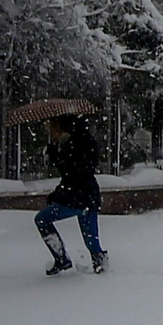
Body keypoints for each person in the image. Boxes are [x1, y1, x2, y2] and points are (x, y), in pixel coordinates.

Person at [35, 113, 107, 274]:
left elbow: (72, 173)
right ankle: (101, 265)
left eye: (52, 128)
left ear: (60, 127)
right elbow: (79, 171)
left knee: (42, 219)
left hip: (77, 196)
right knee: (91, 240)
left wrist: (54, 155)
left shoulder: (74, 143)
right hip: (88, 195)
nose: (51, 132)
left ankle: (61, 258)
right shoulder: (82, 139)